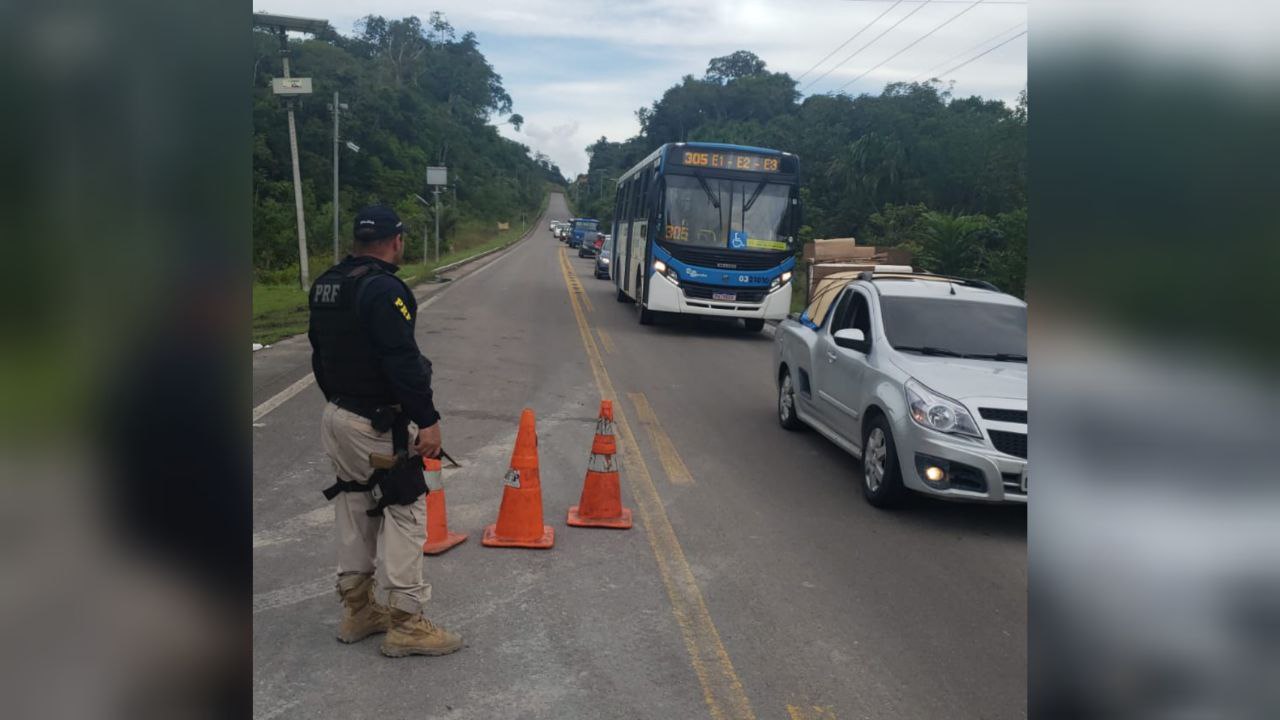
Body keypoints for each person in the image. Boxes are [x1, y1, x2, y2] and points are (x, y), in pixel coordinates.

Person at [307, 204, 463, 658]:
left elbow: (318, 355)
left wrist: (340, 402)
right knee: (405, 506)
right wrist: (428, 419)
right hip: (373, 421)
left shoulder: (328, 284)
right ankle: (407, 622)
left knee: (355, 502)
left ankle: (358, 611)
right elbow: (401, 362)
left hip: (337, 415)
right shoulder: (384, 290)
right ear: (396, 241)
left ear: (357, 240)